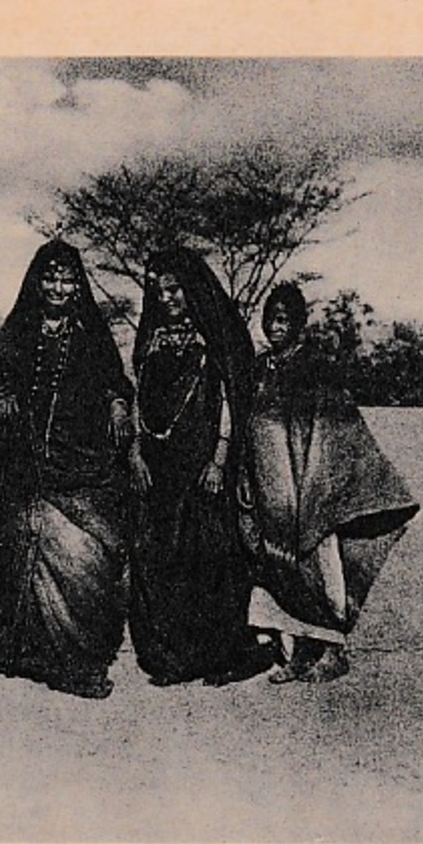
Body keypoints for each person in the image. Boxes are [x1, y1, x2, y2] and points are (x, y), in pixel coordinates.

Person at [0, 239, 134, 699]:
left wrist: (119, 405)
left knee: (82, 555)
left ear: (76, 283)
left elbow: (114, 381)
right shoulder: (18, 330)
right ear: (37, 281)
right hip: (24, 466)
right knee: (24, 545)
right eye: (50, 278)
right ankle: (28, 654)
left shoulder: (90, 334)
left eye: (66, 279)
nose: (59, 287)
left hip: (80, 465)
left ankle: (77, 661)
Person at [238, 282, 420, 683]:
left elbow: (335, 428)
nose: (276, 327)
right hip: (271, 493)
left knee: (319, 573)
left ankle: (333, 652)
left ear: (299, 324)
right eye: (271, 319)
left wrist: (317, 485)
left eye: (284, 319)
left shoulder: (314, 368)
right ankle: (298, 656)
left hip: (309, 491)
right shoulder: (261, 368)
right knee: (278, 573)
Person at [128, 247, 270, 687]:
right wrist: (134, 453)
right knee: (159, 555)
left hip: (204, 464)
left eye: (175, 289)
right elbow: (138, 396)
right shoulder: (150, 338)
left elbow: (230, 398)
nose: (168, 298)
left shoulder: (213, 336)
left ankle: (220, 655)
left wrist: (220, 458)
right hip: (159, 465)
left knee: (208, 558)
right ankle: (174, 658)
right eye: (159, 291)